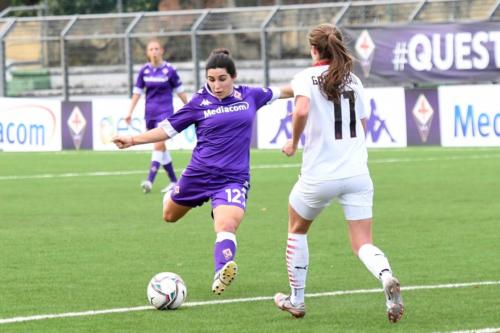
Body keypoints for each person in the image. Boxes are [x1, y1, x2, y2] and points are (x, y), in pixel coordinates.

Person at [113, 48, 293, 295]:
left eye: (222, 79)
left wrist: (317, 84)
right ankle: (173, 193)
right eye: (211, 79)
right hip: (198, 175)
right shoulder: (199, 102)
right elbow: (166, 130)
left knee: (227, 224)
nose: (216, 85)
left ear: (234, 76)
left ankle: (222, 271)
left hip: (233, 179)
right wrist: (132, 140)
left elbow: (286, 91)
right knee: (169, 215)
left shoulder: (250, 95)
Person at [273, 23, 404, 323]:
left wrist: (293, 143)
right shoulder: (354, 80)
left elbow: (302, 110)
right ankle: (386, 276)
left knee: (297, 228)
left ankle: (297, 300)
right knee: (362, 242)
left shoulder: (305, 77)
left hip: (319, 175)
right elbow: (365, 124)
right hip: (357, 172)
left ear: (313, 49)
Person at [125, 39, 189, 194]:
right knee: (161, 147)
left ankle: (149, 180)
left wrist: (189, 108)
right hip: (150, 113)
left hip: (166, 112)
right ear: (147, 53)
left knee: (158, 145)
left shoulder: (170, 70)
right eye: (151, 49)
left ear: (162, 51)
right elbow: (137, 93)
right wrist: (129, 112)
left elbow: (180, 91)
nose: (154, 51)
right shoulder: (144, 71)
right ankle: (174, 181)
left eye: (156, 49)